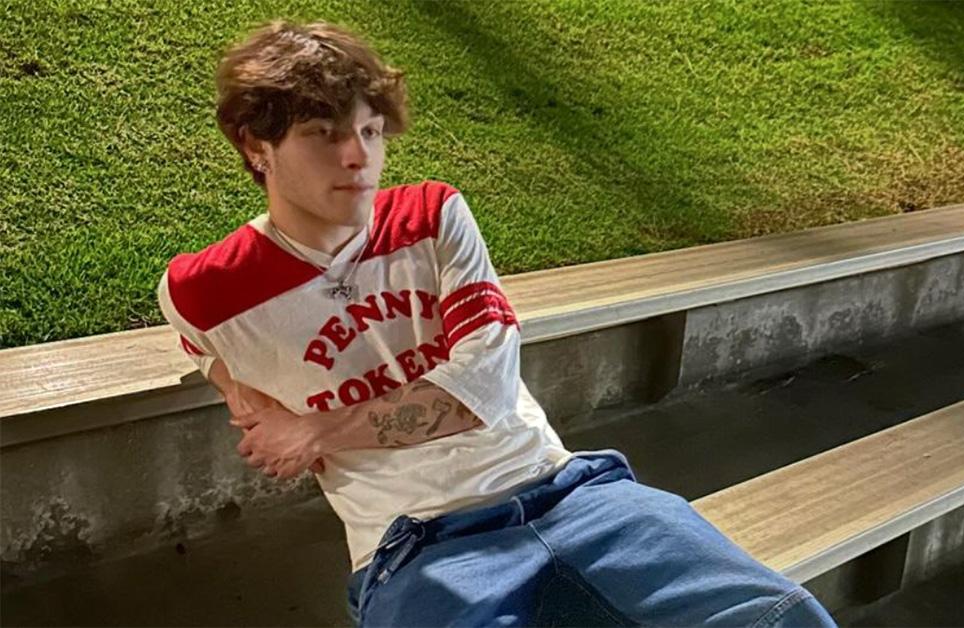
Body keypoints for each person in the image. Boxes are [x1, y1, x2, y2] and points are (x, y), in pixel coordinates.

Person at [156, 19, 837, 628]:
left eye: (369, 131)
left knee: (783, 618)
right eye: (324, 137)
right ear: (255, 147)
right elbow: (195, 337)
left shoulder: (430, 216)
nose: (358, 158)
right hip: (417, 545)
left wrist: (312, 430)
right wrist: (238, 391)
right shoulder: (210, 289)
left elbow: (483, 380)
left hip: (571, 494)